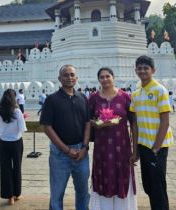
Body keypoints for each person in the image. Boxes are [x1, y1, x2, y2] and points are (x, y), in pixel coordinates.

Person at [40, 65, 90, 210]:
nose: (69, 77)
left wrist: (85, 147)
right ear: (59, 79)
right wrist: (66, 150)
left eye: (72, 75)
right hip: (59, 154)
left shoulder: (82, 98)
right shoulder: (52, 99)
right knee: (57, 193)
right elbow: (47, 127)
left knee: (83, 192)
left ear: (76, 78)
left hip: (81, 152)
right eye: (66, 75)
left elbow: (87, 123)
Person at [89, 67, 138, 210]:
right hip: (102, 149)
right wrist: (96, 124)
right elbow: (87, 121)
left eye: (107, 76)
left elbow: (134, 123)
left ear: (113, 77)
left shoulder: (124, 97)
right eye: (102, 77)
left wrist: (136, 150)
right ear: (98, 80)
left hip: (122, 147)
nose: (105, 79)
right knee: (103, 176)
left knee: (122, 176)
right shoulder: (93, 98)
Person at [130, 55, 173, 210]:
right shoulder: (136, 93)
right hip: (143, 145)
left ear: (153, 70)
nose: (142, 71)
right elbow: (134, 124)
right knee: (148, 185)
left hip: (158, 147)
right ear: (136, 71)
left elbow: (165, 121)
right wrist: (135, 150)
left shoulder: (160, 90)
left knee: (157, 187)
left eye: (145, 68)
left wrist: (156, 148)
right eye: (139, 68)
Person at [0, 89, 27, 205]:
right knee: (17, 167)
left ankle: (9, 196)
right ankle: (17, 194)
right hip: (16, 142)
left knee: (5, 169)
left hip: (3, 142)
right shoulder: (17, 112)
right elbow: (22, 129)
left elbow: (0, 127)